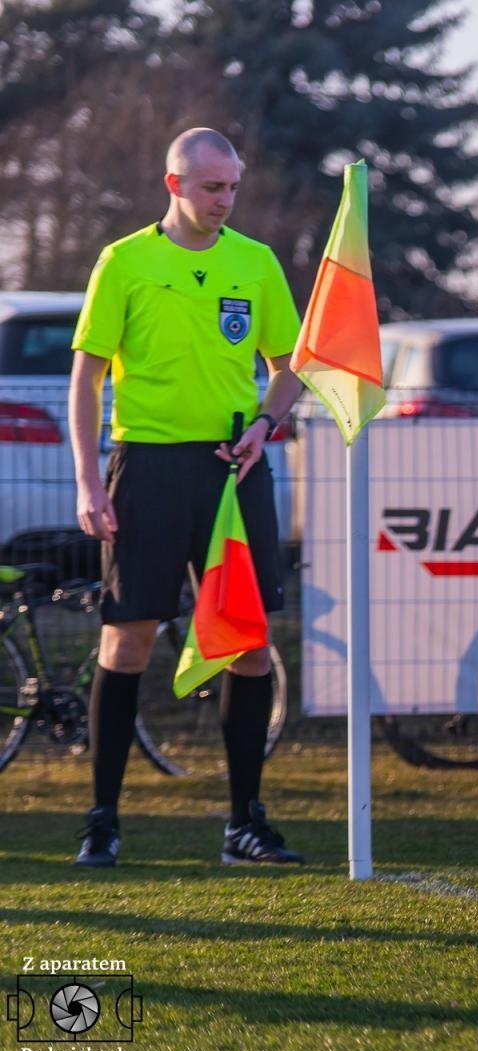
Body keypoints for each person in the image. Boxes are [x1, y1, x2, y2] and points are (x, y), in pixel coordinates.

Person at [68, 128, 304, 867]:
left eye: (233, 187)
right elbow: (87, 377)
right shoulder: (125, 261)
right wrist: (86, 477)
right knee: (128, 638)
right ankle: (102, 821)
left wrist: (267, 423)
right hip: (147, 469)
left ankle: (245, 823)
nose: (224, 200)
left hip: (234, 473)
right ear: (174, 185)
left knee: (250, 643)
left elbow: (289, 364)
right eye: (211, 187)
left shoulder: (256, 263)